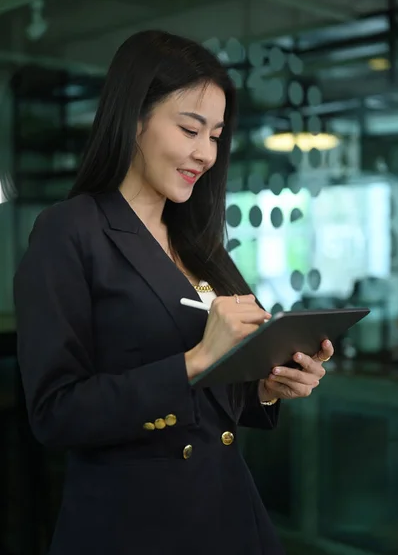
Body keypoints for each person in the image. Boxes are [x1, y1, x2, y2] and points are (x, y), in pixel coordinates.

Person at [13, 29, 333, 555]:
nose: (205, 153)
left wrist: (265, 386)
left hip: (229, 511)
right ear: (134, 118)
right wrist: (195, 359)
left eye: (215, 135)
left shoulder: (197, 241)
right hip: (136, 524)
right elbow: (55, 411)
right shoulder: (71, 230)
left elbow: (216, 393)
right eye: (190, 129)